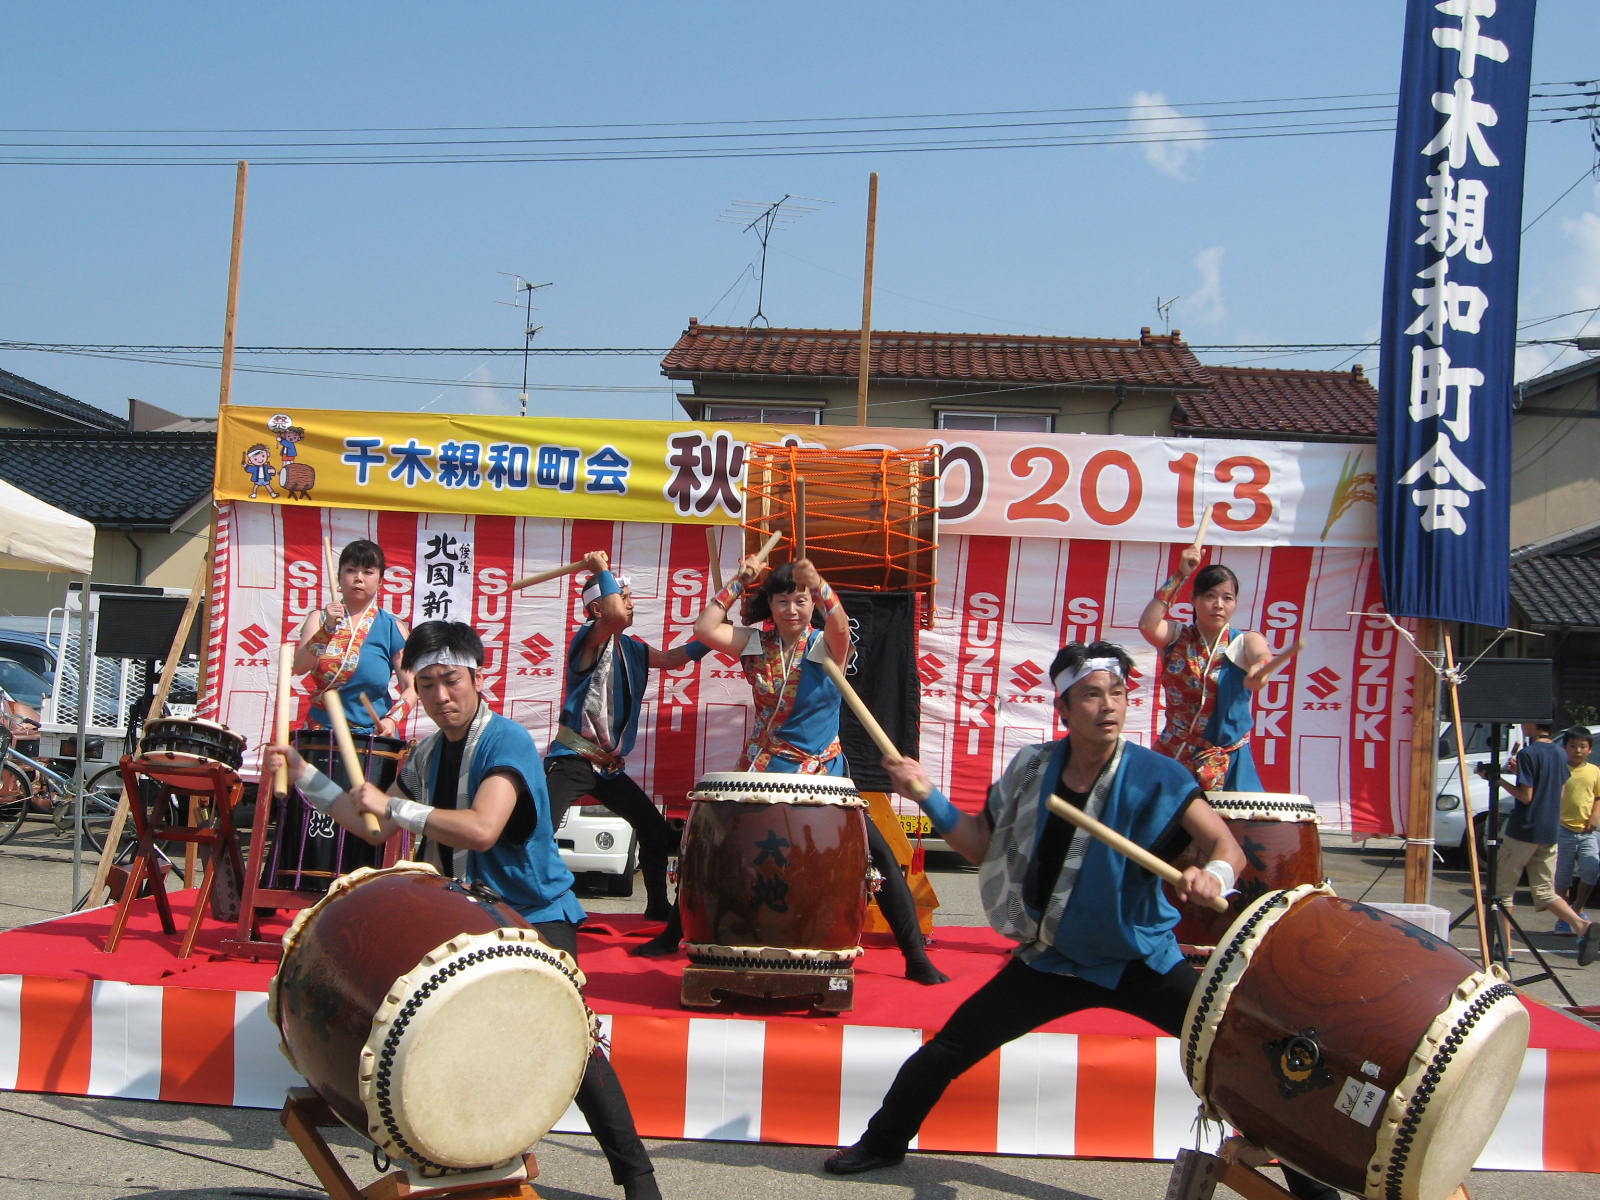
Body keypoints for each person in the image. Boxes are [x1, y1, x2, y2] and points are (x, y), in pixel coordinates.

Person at [266, 621, 664, 1200]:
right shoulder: (425, 754)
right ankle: (461, 1158)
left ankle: (638, 1180)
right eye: (426, 685)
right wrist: (309, 778)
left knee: (573, 1042)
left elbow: (481, 830)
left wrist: (395, 805)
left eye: (451, 680)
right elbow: (375, 828)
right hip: (466, 920)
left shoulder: (506, 741)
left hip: (534, 915)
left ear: (478, 676)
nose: (440, 696)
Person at [823, 640, 1244, 1173]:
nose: (1108, 706)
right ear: (1063, 707)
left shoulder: (1158, 776)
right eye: (1091, 695)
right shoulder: (1032, 769)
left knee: (1231, 1058)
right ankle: (882, 1144)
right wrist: (928, 794)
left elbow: (1226, 847)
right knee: (948, 1049)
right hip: (1054, 957)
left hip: (1141, 960)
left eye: (1117, 693)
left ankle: (1309, 1180)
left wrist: (1215, 875)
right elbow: (978, 844)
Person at [680, 555, 948, 984]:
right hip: (763, 770)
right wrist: (738, 580)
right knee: (728, 852)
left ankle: (915, 955)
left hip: (821, 774)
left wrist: (820, 583)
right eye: (783, 601)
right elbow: (706, 629)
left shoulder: (824, 645)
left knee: (878, 854)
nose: (791, 610)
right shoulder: (755, 643)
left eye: (800, 600)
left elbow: (841, 626)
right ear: (770, 605)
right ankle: (696, 933)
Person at [546, 550, 713, 922]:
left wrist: (715, 635)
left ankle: (656, 907)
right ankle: (533, 906)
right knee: (539, 829)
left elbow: (672, 659)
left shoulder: (633, 648)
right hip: (572, 758)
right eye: (623, 597)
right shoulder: (588, 641)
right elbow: (616, 616)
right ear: (597, 610)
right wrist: (601, 570)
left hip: (606, 767)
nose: (631, 605)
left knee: (653, 827)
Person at [1139, 547, 1271, 791]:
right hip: (1177, 752)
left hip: (1229, 761)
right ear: (1194, 600)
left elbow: (1261, 656)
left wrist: (1259, 671)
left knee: (1233, 826)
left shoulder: (1244, 641)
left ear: (1235, 603)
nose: (1218, 605)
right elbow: (1148, 625)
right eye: (1210, 596)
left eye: (1227, 598)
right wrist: (1180, 575)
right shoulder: (1177, 637)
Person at [1479, 722, 1600, 965]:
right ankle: (1582, 925)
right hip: (1550, 830)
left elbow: (1526, 796)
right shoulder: (1558, 752)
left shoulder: (1529, 752)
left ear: (1532, 726)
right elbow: (1561, 790)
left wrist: (1497, 780)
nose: (1522, 726)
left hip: (1524, 829)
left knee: (1502, 892)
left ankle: (1506, 946)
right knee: (1545, 892)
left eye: (1525, 723)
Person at [292, 538, 416, 738]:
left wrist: (392, 719)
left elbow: (412, 686)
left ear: (381, 580)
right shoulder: (319, 619)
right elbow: (299, 667)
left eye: (368, 572)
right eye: (351, 570)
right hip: (322, 732)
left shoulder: (393, 627)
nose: (358, 578)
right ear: (339, 577)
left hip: (371, 735)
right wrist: (328, 629)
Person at [1557, 727, 1600, 915]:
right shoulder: (1559, 769)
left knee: (1591, 870)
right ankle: (1564, 917)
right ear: (1565, 747)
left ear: (1590, 749)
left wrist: (1595, 815)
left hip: (1587, 831)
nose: (1578, 750)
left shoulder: (1594, 771)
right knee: (1561, 878)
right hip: (1562, 829)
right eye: (1573, 746)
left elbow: (1598, 797)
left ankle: (1578, 907)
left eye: (1583, 746)